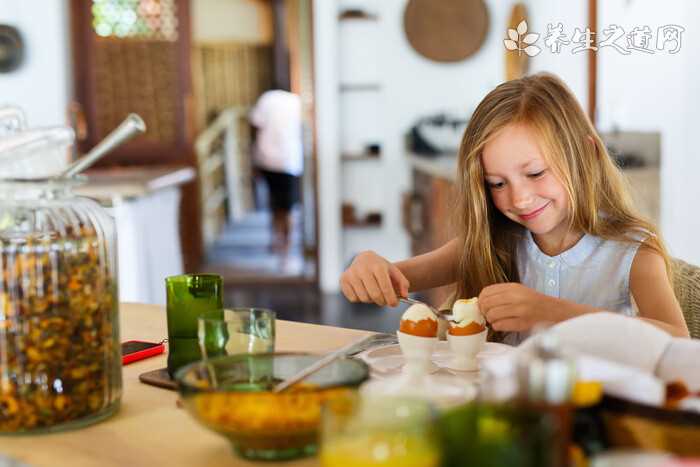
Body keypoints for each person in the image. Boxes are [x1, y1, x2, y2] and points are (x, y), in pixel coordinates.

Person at [340, 73, 689, 343]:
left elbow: (677, 340)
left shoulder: (632, 252)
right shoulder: (501, 239)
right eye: (497, 183)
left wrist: (554, 313)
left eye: (535, 173)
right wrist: (370, 269)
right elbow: (399, 277)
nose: (519, 199)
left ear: (587, 154)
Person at [249, 89, 303, 252]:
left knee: (275, 204)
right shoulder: (296, 101)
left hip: (267, 158)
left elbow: (255, 126)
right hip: (290, 160)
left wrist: (253, 158)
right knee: (287, 206)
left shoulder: (265, 98)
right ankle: (286, 244)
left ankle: (277, 241)